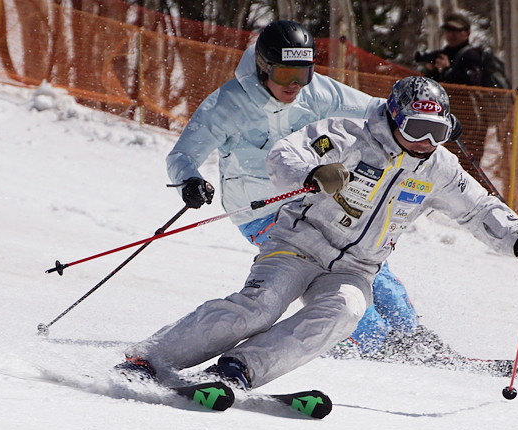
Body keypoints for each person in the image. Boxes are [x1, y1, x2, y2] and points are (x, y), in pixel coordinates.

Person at [116, 76, 518, 390]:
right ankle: (152, 356)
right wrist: (311, 172)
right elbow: (286, 153)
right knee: (261, 307)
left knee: (344, 314)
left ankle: (239, 369)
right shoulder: (350, 134)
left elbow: (478, 208)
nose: (426, 141)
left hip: (357, 268)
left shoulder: (439, 167)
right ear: (396, 118)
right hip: (297, 245)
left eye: (437, 132)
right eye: (418, 129)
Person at [164, 20, 440, 359]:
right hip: (262, 210)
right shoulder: (227, 104)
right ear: (264, 67)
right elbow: (182, 155)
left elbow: (377, 110)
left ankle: (412, 336)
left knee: (367, 268)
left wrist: (428, 120)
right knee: (332, 276)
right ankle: (377, 344)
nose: (294, 85)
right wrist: (189, 180)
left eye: (303, 73)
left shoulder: (316, 92)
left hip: (316, 202)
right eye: (284, 75)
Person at [420, 13, 484, 86]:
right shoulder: (445, 54)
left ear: (467, 33)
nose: (451, 34)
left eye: (456, 30)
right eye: (448, 30)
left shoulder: (472, 55)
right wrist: (431, 71)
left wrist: (447, 70)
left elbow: (471, 83)